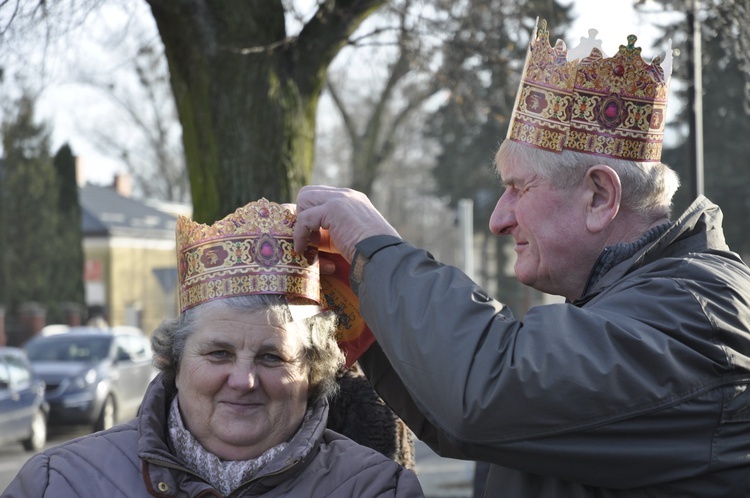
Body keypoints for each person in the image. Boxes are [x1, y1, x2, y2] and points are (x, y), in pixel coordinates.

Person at [291, 19, 750, 497]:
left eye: (518, 188)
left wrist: (377, 250)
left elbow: (488, 395)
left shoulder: (697, 314)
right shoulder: (656, 304)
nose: (498, 219)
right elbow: (467, 418)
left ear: (599, 196)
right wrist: (362, 295)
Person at [3, 199, 423, 498]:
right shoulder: (58, 483)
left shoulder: (375, 489)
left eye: (272, 356)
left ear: (313, 373)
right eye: (218, 353)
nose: (243, 381)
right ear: (173, 360)